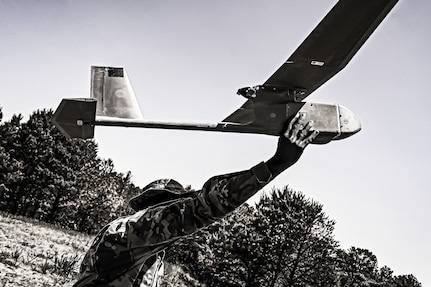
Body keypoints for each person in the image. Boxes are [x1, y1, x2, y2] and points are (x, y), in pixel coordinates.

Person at [73, 112, 319, 287]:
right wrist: (277, 164)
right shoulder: (134, 230)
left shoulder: (145, 248)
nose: (177, 213)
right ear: (156, 206)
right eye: (173, 206)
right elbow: (205, 207)